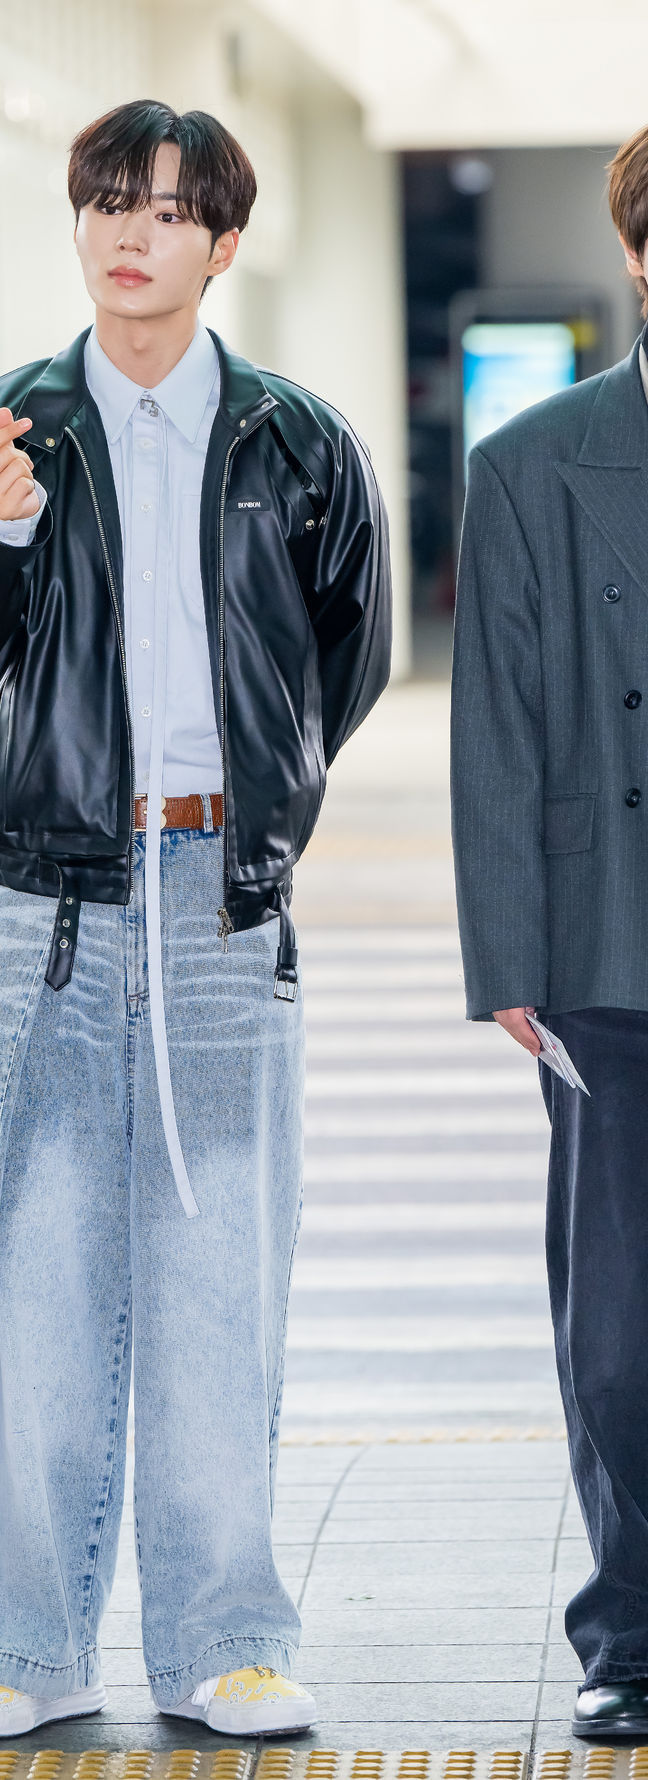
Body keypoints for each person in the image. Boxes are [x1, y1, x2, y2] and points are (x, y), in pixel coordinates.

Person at [0, 98, 391, 1742]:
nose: (132, 232)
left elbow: (346, 659)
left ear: (222, 244)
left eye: (170, 210)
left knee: (221, 1279)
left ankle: (227, 1639)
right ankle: (16, 1645)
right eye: (110, 199)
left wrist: (255, 813)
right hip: (38, 911)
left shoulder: (298, 444)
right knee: (26, 1282)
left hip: (220, 906)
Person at [450, 124, 648, 1745]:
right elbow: (497, 729)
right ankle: (634, 1630)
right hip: (611, 947)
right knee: (623, 1325)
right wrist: (509, 955)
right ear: (638, 254)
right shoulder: (533, 461)